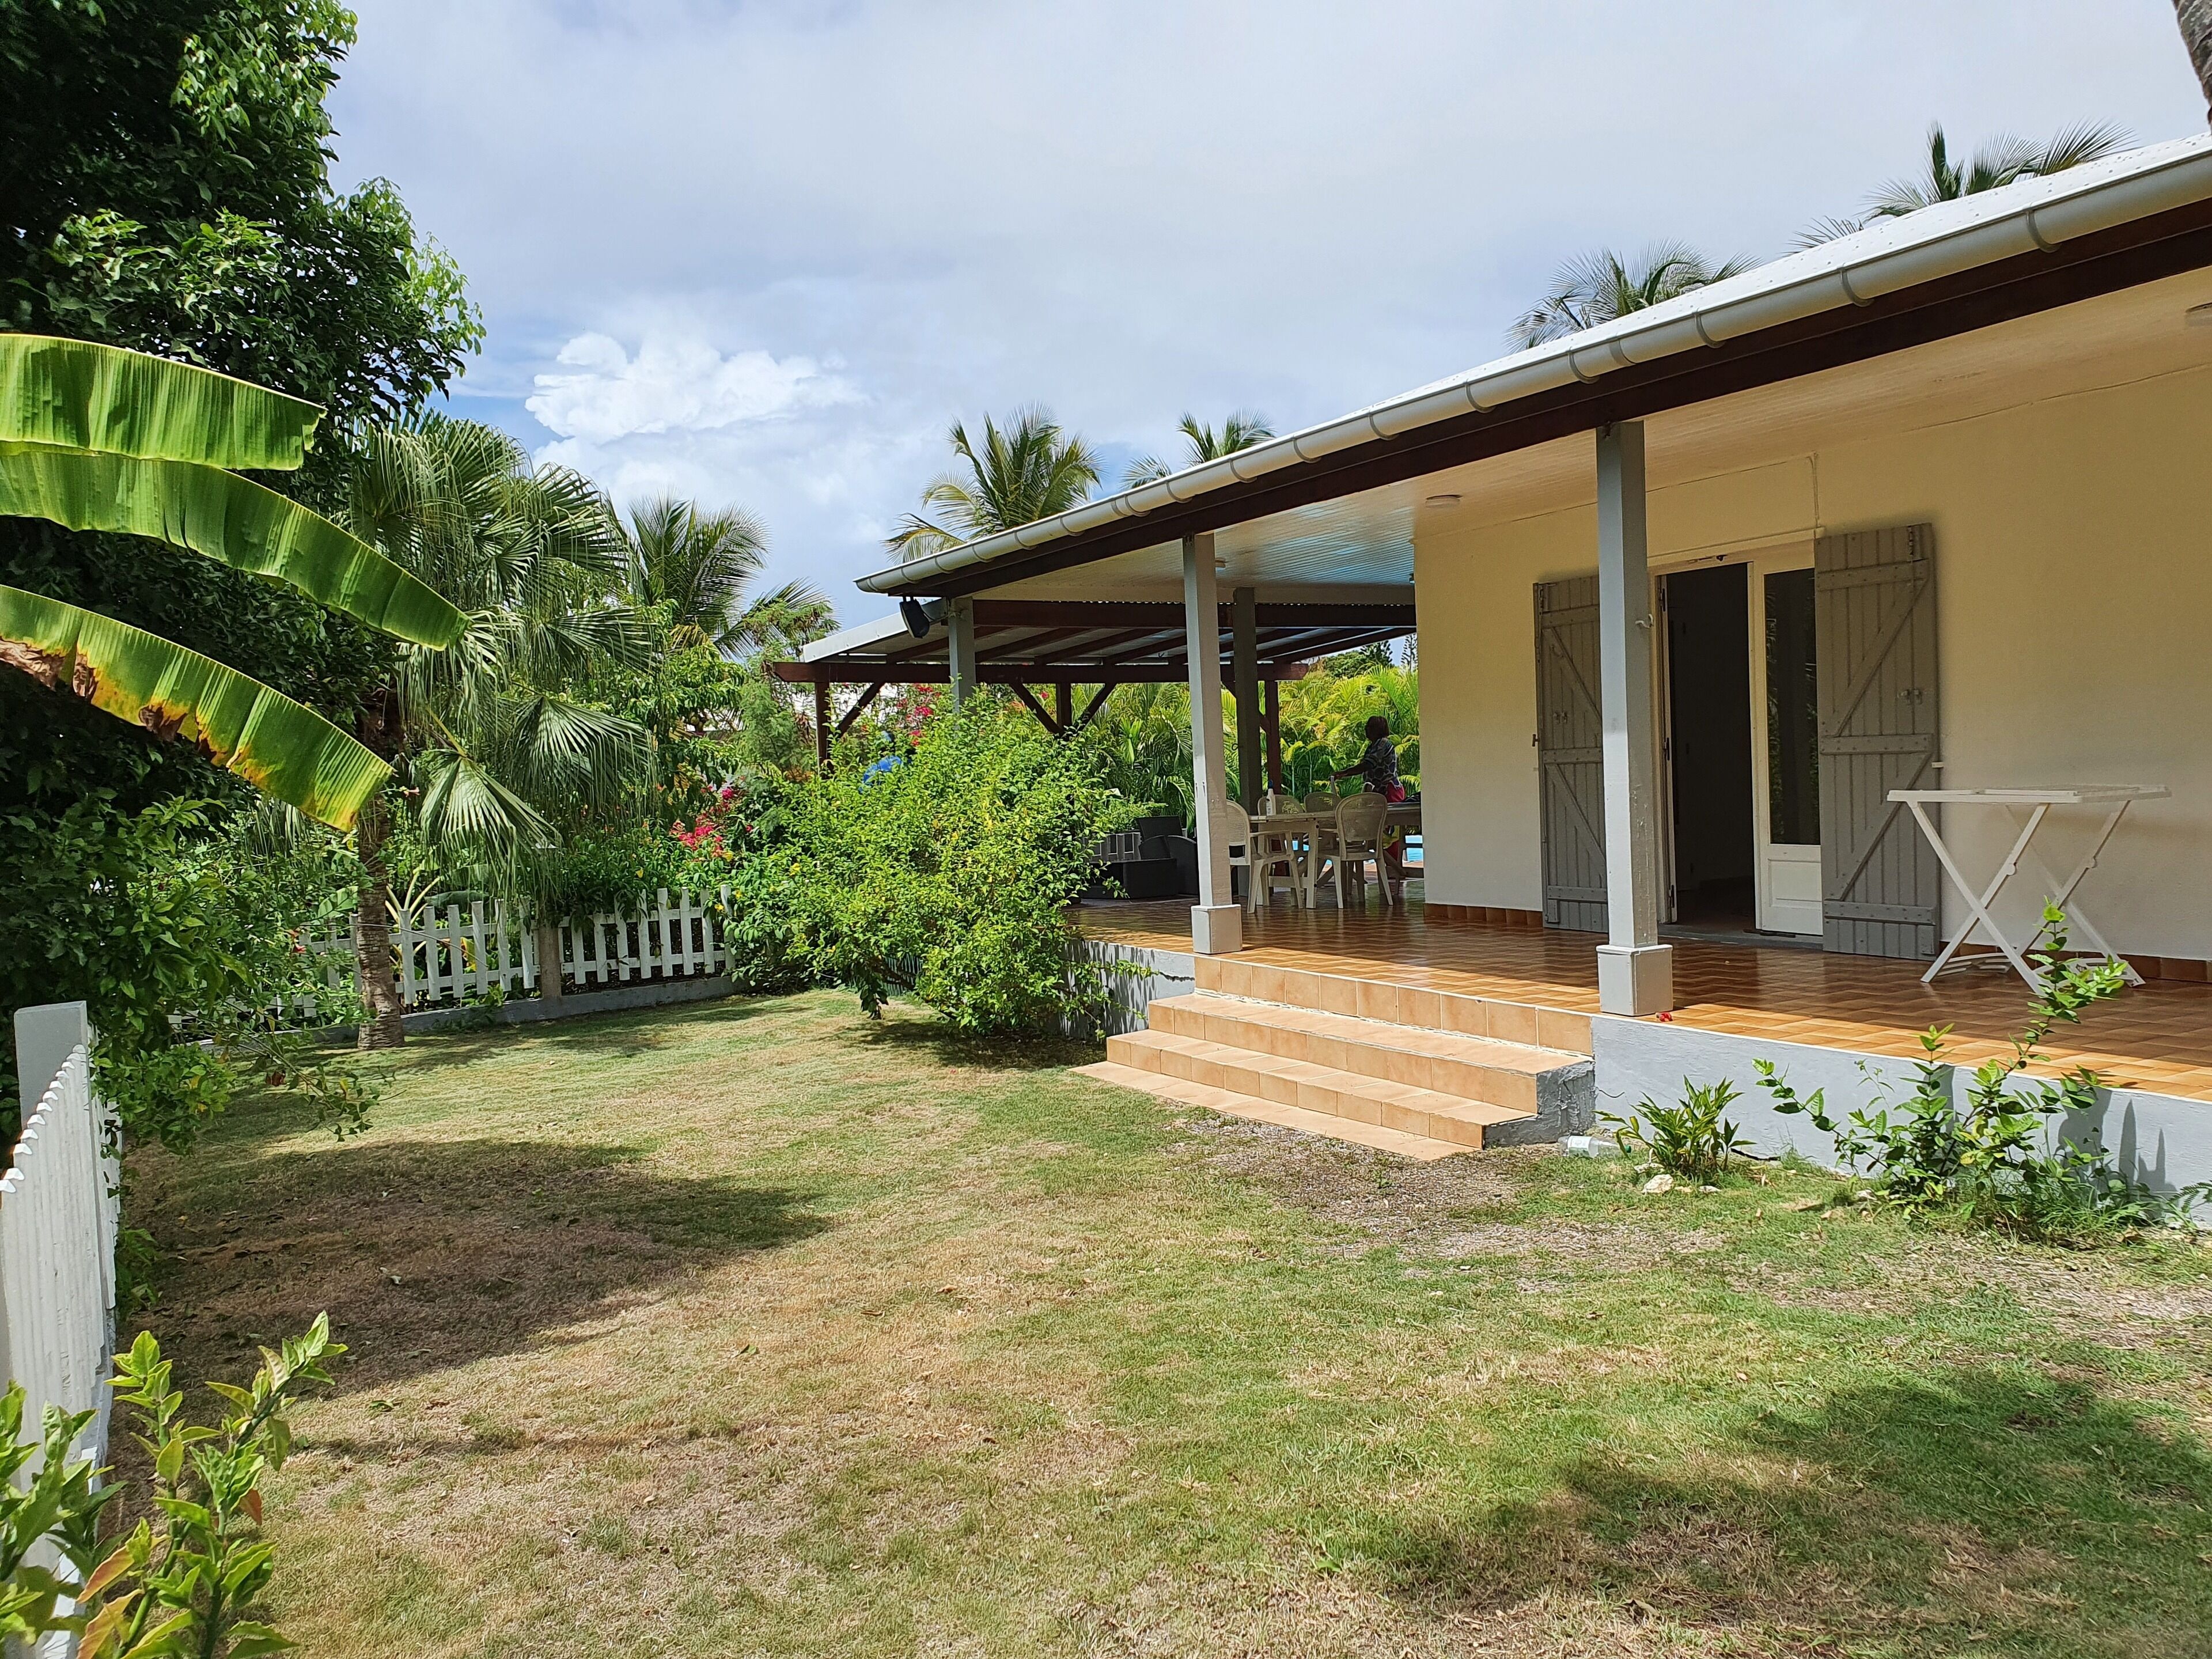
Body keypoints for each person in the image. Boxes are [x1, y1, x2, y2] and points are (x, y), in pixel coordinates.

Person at [1331, 715, 1407, 888]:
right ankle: (1389, 866)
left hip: (1388, 790)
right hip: (1378, 792)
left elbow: (1369, 764)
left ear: (1377, 730)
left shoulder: (1383, 744)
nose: (1366, 730)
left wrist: (1346, 772)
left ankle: (1393, 867)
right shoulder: (1374, 745)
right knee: (1379, 830)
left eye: (1370, 727)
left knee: (1388, 830)